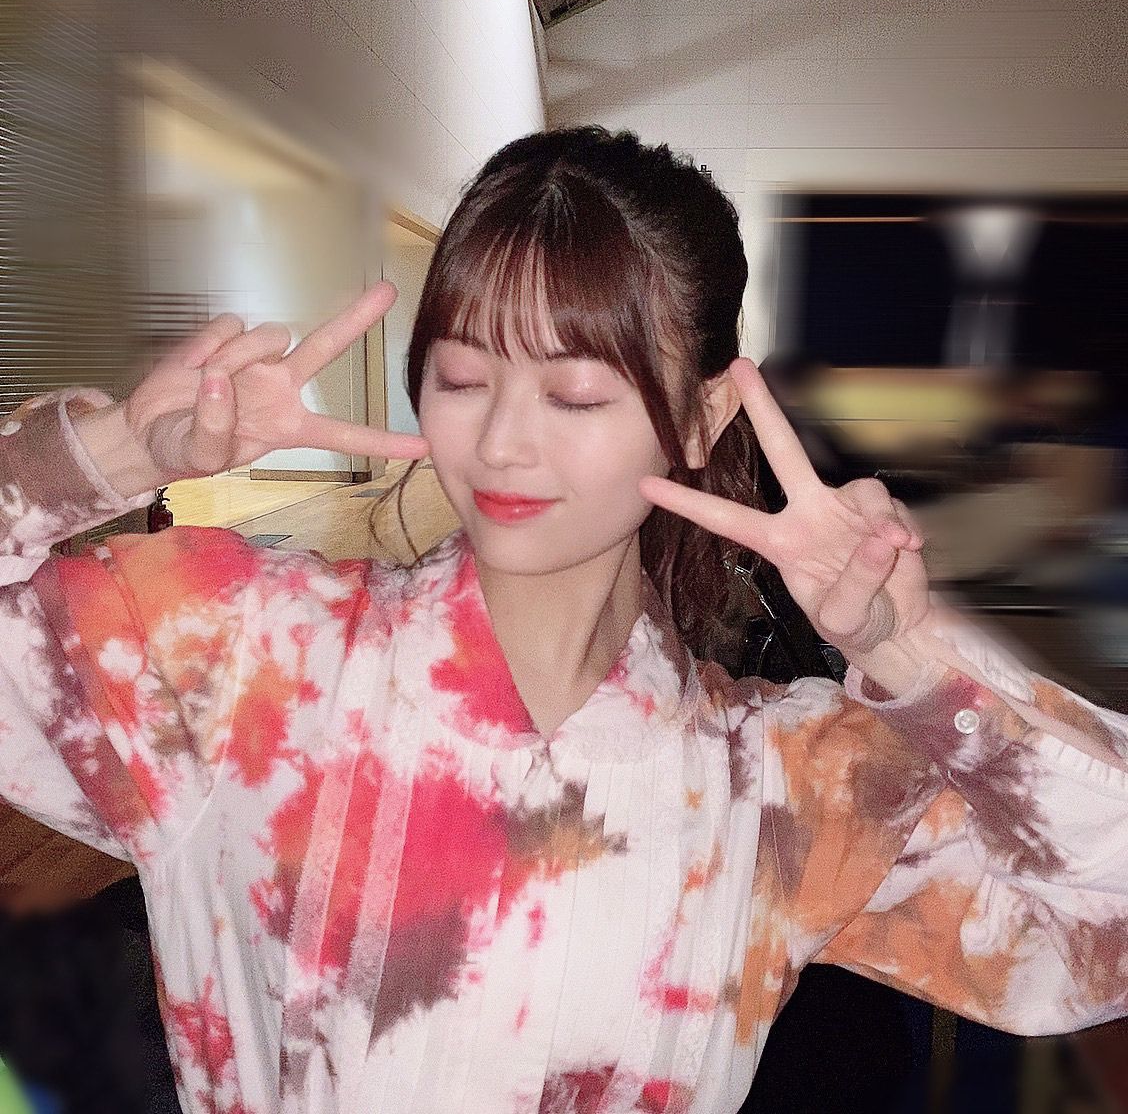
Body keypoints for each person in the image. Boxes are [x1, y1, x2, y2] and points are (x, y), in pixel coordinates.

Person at [1, 126, 1126, 1114]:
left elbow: (1104, 919)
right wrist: (108, 452)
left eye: (576, 394)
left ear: (704, 416)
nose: (501, 443)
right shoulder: (242, 654)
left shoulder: (777, 788)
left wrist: (910, 656)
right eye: (460, 379)